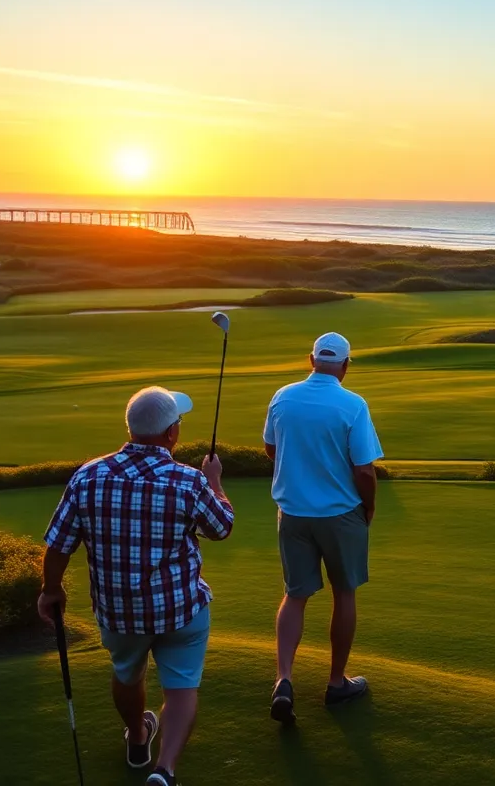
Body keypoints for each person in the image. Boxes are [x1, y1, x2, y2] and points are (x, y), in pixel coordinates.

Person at [38, 386, 235, 786]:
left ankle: (138, 738)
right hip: (182, 609)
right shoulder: (189, 480)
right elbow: (221, 527)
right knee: (181, 688)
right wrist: (215, 481)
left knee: (127, 674)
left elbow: (58, 543)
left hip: (119, 612)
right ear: (170, 434)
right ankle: (165, 770)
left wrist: (51, 588)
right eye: (177, 422)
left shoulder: (88, 476)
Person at [263, 332, 384, 723]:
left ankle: (283, 679)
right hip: (339, 514)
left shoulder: (283, 396)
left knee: (295, 595)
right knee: (344, 593)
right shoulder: (353, 404)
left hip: (293, 513)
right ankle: (336, 683)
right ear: (346, 365)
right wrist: (369, 507)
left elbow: (271, 448)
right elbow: (364, 469)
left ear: (310, 359)